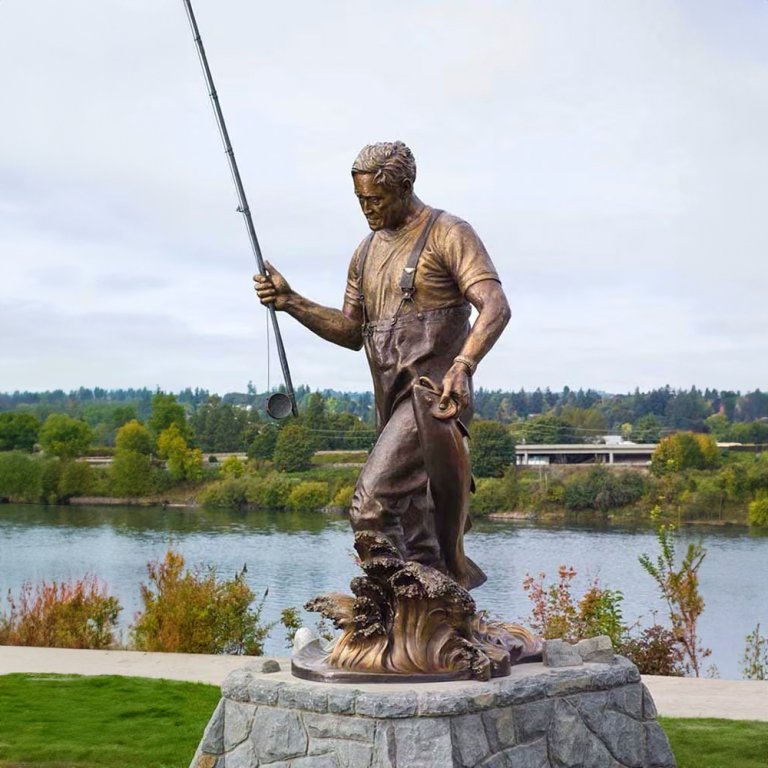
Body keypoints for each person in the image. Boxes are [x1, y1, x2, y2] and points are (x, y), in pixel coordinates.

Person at [255, 141, 509, 589]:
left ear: (405, 187)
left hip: (433, 400)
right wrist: (291, 301)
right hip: (389, 403)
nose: (367, 209)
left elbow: (495, 305)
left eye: (376, 199)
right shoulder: (365, 253)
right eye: (360, 199)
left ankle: (392, 609)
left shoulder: (448, 233)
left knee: (369, 507)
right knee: (419, 533)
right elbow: (352, 332)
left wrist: (464, 364)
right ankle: (431, 612)